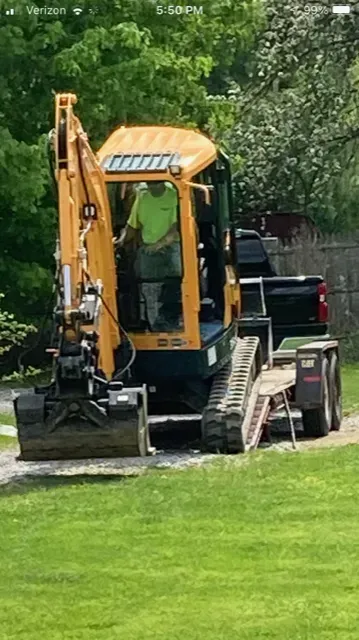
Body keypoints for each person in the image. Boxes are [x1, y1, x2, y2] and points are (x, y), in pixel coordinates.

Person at [117, 182, 182, 330]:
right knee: (147, 285)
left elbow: (177, 227)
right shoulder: (142, 197)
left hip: (171, 247)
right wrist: (119, 242)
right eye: (149, 183)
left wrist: (159, 245)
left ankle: (174, 320)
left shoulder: (175, 194)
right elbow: (133, 225)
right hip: (148, 248)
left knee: (178, 279)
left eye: (155, 183)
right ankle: (153, 324)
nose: (152, 186)